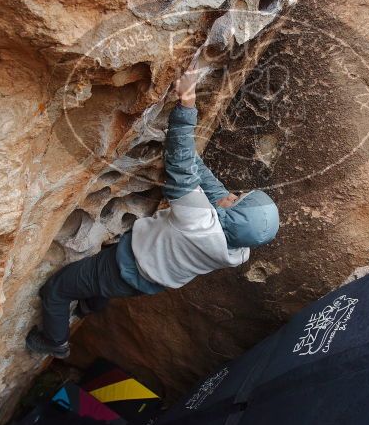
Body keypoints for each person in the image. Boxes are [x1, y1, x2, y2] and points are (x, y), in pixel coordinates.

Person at [25, 65, 280, 358]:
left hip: (122, 267)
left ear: (234, 214)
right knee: (101, 289)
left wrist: (187, 104)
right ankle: (86, 306)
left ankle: (54, 343)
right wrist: (186, 149)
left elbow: (181, 169)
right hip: (149, 282)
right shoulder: (236, 246)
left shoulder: (199, 223)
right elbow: (210, 187)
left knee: (56, 290)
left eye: (238, 199)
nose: (232, 194)